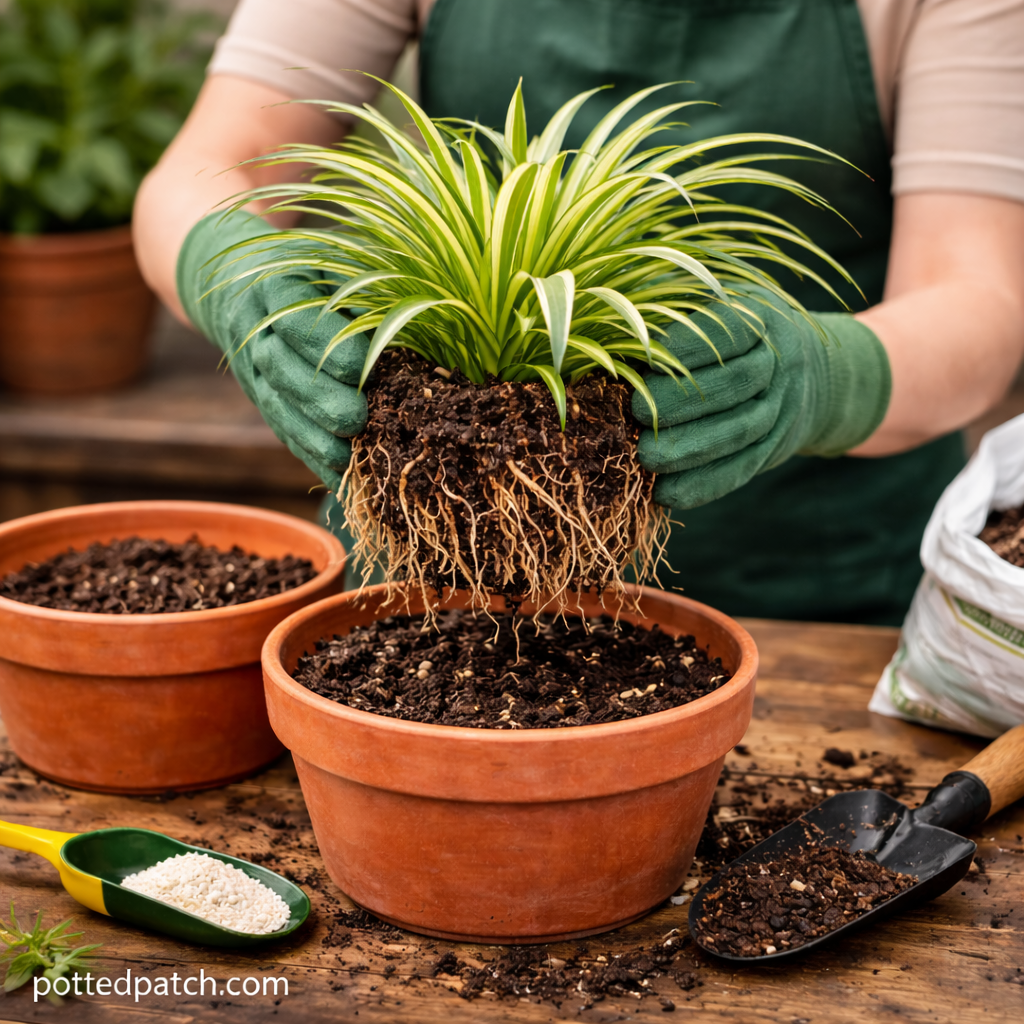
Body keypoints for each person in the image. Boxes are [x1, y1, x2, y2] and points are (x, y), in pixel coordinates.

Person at [134, 0, 1024, 626]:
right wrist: (238, 276)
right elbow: (216, 165)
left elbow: (978, 295)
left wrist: (819, 377)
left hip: (811, 586)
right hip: (439, 580)